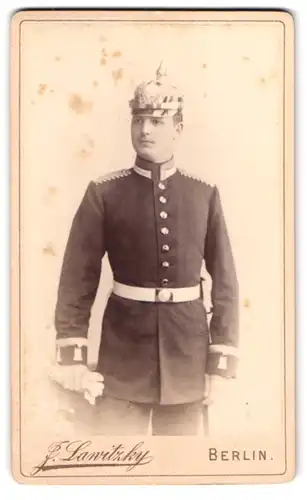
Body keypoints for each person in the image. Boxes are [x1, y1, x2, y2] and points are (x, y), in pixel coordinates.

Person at [50, 62, 239, 436]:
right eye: (138, 120)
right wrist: (73, 358)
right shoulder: (104, 193)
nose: (145, 129)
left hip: (188, 357)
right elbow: (77, 278)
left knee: (182, 473)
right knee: (116, 465)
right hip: (122, 358)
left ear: (178, 129)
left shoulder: (204, 194)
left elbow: (226, 283)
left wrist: (220, 366)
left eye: (156, 120)